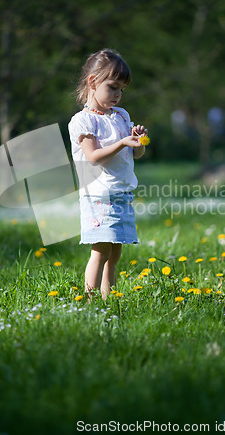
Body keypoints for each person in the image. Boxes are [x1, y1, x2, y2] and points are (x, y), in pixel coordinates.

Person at [68, 49, 148, 299]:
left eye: (122, 89)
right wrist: (123, 142)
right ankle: (89, 299)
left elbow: (137, 155)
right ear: (93, 82)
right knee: (100, 250)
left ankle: (108, 297)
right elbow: (93, 157)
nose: (118, 94)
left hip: (121, 192)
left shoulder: (122, 115)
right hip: (99, 195)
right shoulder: (84, 121)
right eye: (113, 87)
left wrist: (137, 142)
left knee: (115, 252)